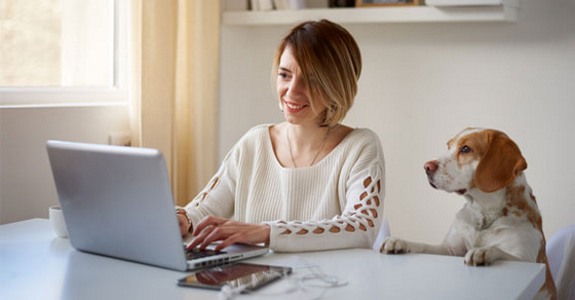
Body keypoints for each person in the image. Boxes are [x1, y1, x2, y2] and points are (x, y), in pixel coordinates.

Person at [177, 19, 385, 253]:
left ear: (337, 85)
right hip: (250, 288)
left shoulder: (360, 147)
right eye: (285, 75)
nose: (292, 91)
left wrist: (267, 233)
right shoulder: (253, 143)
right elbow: (201, 211)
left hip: (326, 287)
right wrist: (183, 218)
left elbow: (361, 228)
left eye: (311, 80)